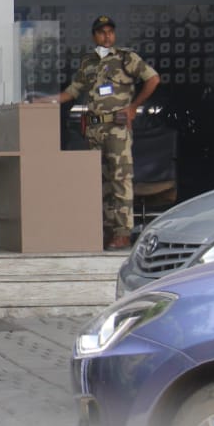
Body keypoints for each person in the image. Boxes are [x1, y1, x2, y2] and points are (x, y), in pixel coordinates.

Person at [47, 15, 159, 250]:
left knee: (121, 179)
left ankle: (122, 232)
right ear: (94, 35)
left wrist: (133, 106)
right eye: (101, 32)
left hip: (117, 128)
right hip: (94, 128)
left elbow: (152, 79)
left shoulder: (126, 58)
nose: (107, 36)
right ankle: (106, 229)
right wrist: (48, 101)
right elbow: (73, 90)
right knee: (100, 181)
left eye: (110, 32)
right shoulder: (88, 62)